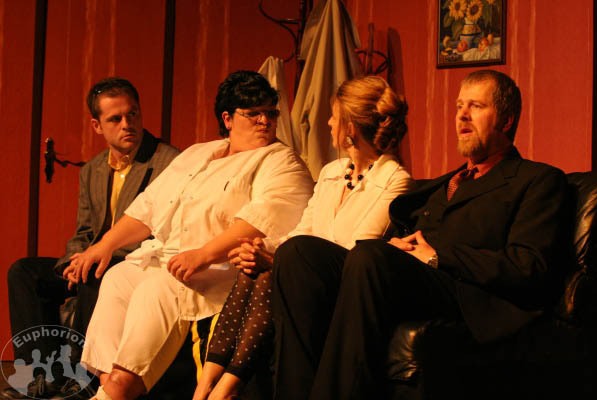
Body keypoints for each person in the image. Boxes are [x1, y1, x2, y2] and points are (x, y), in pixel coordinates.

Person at [271, 70, 570, 399]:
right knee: (298, 254)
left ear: (507, 120)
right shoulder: (448, 183)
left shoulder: (537, 180)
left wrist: (438, 256)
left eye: (476, 106)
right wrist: (398, 244)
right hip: (414, 280)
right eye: (459, 106)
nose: (462, 115)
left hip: (467, 292)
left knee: (370, 256)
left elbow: (529, 266)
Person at [69, 70, 314, 400]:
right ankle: (109, 384)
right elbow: (149, 207)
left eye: (271, 112)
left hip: (216, 271)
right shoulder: (201, 152)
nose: (265, 121)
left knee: (155, 288)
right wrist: (104, 245)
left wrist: (204, 255)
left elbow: (261, 221)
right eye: (253, 113)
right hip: (167, 257)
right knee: (118, 277)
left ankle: (122, 386)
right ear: (227, 118)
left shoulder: (282, 161)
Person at [194, 75, 415, 400]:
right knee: (253, 269)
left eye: (334, 117)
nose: (328, 123)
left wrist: (274, 260)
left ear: (350, 127)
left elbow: (357, 250)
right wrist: (261, 249)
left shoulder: (395, 179)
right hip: (303, 277)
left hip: (343, 288)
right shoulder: (331, 172)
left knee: (271, 271)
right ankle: (208, 386)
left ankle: (224, 388)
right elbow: (303, 232)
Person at [4, 77, 179, 399]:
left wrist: (94, 256)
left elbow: (161, 229)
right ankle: (40, 378)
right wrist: (72, 262)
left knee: (97, 269)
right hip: (94, 259)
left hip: (134, 262)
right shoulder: (93, 169)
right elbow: (84, 231)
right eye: (115, 118)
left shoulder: (168, 162)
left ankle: (82, 381)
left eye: (133, 114)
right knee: (24, 272)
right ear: (97, 126)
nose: (127, 124)